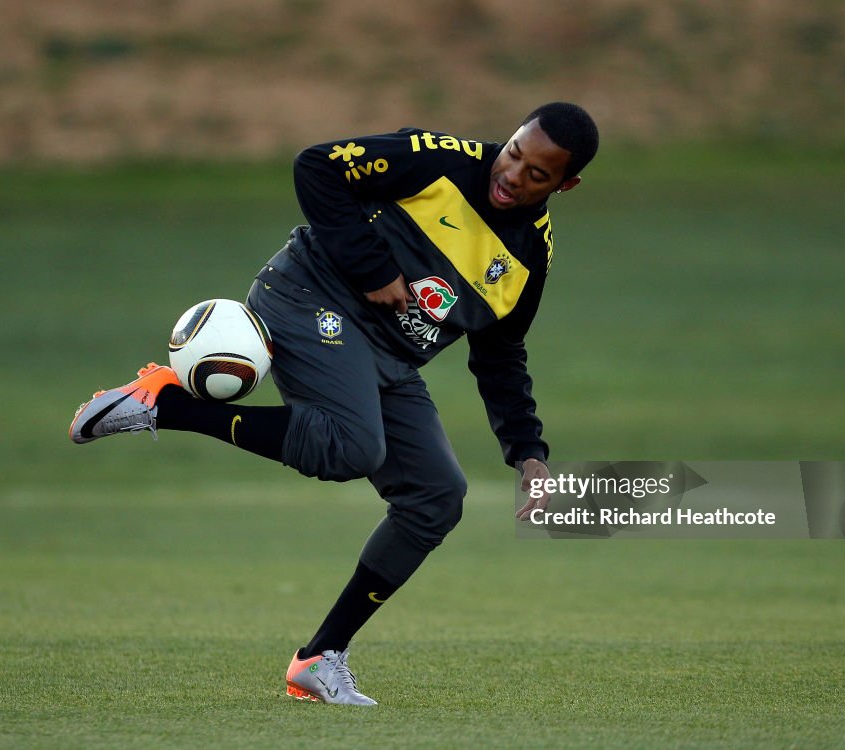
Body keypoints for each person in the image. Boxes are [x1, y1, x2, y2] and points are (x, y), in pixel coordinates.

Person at [69, 102, 599, 705]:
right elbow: (316, 167)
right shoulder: (439, 161)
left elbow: (501, 357)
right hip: (306, 295)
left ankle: (320, 657)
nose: (512, 175)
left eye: (538, 174)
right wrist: (371, 266)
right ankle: (167, 404)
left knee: (437, 496)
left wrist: (528, 454)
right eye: (513, 153)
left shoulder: (530, 260)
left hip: (387, 359)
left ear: (566, 184)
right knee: (351, 446)